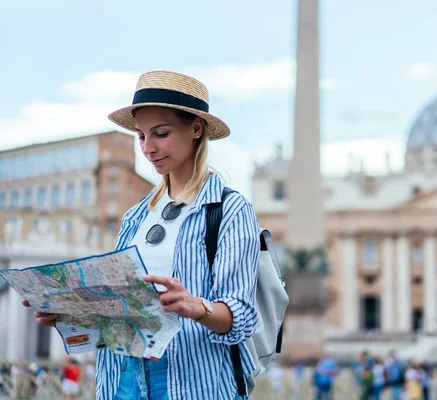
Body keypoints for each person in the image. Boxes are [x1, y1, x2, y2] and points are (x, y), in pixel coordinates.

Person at [22, 71, 261, 399]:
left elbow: (242, 318)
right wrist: (70, 311)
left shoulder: (229, 209)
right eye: (141, 136)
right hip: (122, 378)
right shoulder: (136, 215)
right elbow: (120, 308)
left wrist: (196, 306)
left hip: (190, 381)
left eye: (160, 133)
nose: (148, 148)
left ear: (196, 129)